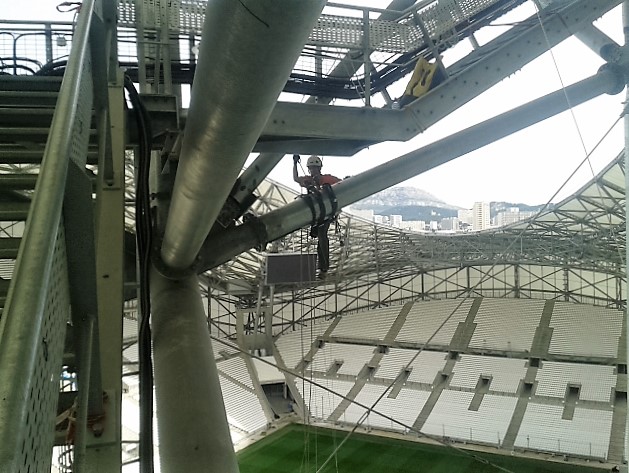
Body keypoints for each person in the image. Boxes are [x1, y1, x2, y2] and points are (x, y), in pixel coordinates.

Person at [293, 154, 340, 276]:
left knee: (322, 236)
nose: (313, 170)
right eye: (311, 168)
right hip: (318, 213)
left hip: (326, 214)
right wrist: (294, 164)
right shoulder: (309, 180)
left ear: (319, 168)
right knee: (321, 236)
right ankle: (323, 267)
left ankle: (323, 267)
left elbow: (341, 183)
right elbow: (296, 178)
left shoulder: (328, 179)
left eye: (314, 168)